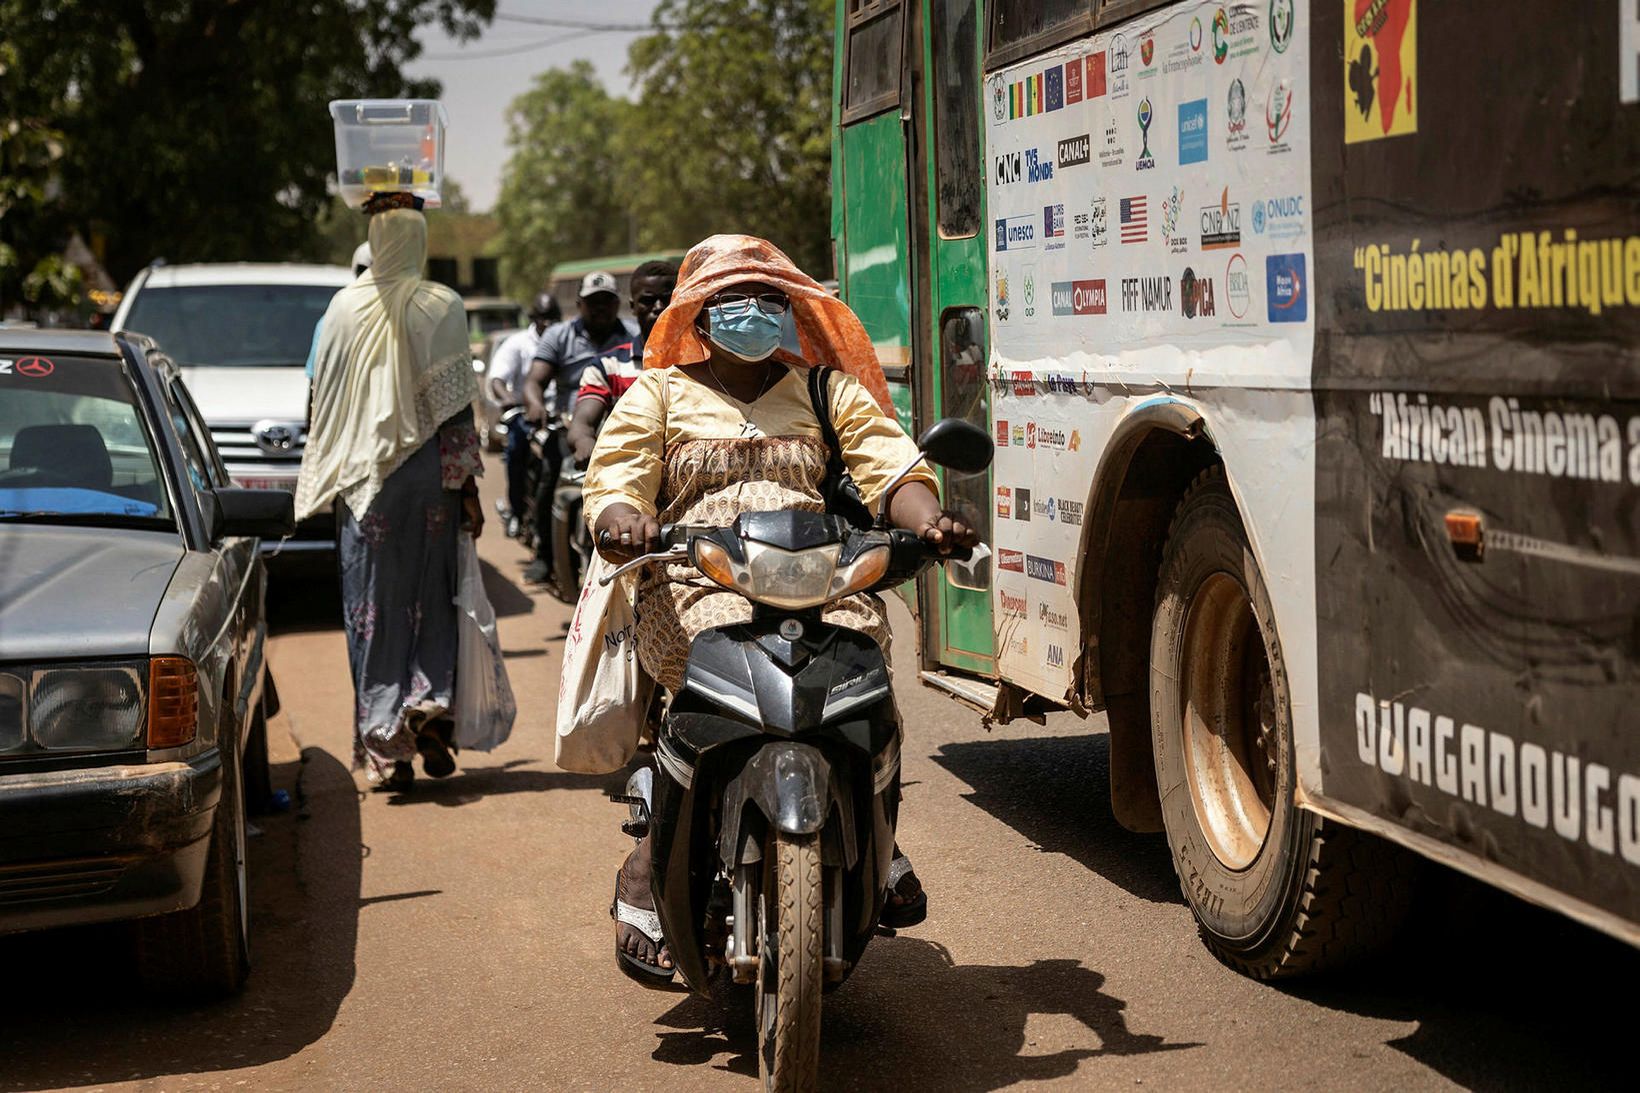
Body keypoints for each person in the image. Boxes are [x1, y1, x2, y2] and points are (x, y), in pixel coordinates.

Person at [581, 234, 978, 979]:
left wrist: (927, 519)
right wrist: (621, 519)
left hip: (821, 574)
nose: (753, 312)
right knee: (699, 686)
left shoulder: (826, 389)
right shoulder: (659, 393)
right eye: (733, 301)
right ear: (699, 317)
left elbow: (891, 465)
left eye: (769, 300)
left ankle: (878, 836)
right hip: (698, 576)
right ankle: (646, 864)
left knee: (865, 669)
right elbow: (616, 480)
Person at [294, 197, 485, 792]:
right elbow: (457, 410)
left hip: (362, 484)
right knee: (431, 595)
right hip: (429, 478)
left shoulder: (341, 309)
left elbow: (317, 399)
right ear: (419, 242)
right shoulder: (441, 304)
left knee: (371, 608)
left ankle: (386, 746)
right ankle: (429, 711)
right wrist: (468, 487)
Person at [520, 271, 637, 584]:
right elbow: (534, 380)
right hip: (568, 425)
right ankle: (545, 554)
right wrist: (535, 405)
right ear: (579, 304)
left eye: (606, 302)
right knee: (551, 476)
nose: (600, 308)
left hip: (621, 429)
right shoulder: (559, 335)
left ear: (618, 304)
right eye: (592, 302)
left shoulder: (634, 336)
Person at [567, 260, 676, 466]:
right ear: (633, 307)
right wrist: (584, 442)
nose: (658, 307)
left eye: (666, 299)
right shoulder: (607, 366)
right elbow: (583, 421)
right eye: (648, 301)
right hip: (629, 472)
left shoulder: (703, 361)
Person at [488, 292, 562, 537]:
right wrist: (510, 402)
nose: (549, 323)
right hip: (526, 415)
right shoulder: (517, 344)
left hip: (561, 415)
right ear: (533, 318)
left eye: (554, 317)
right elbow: (498, 379)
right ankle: (517, 512)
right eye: (544, 318)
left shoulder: (567, 339)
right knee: (515, 451)